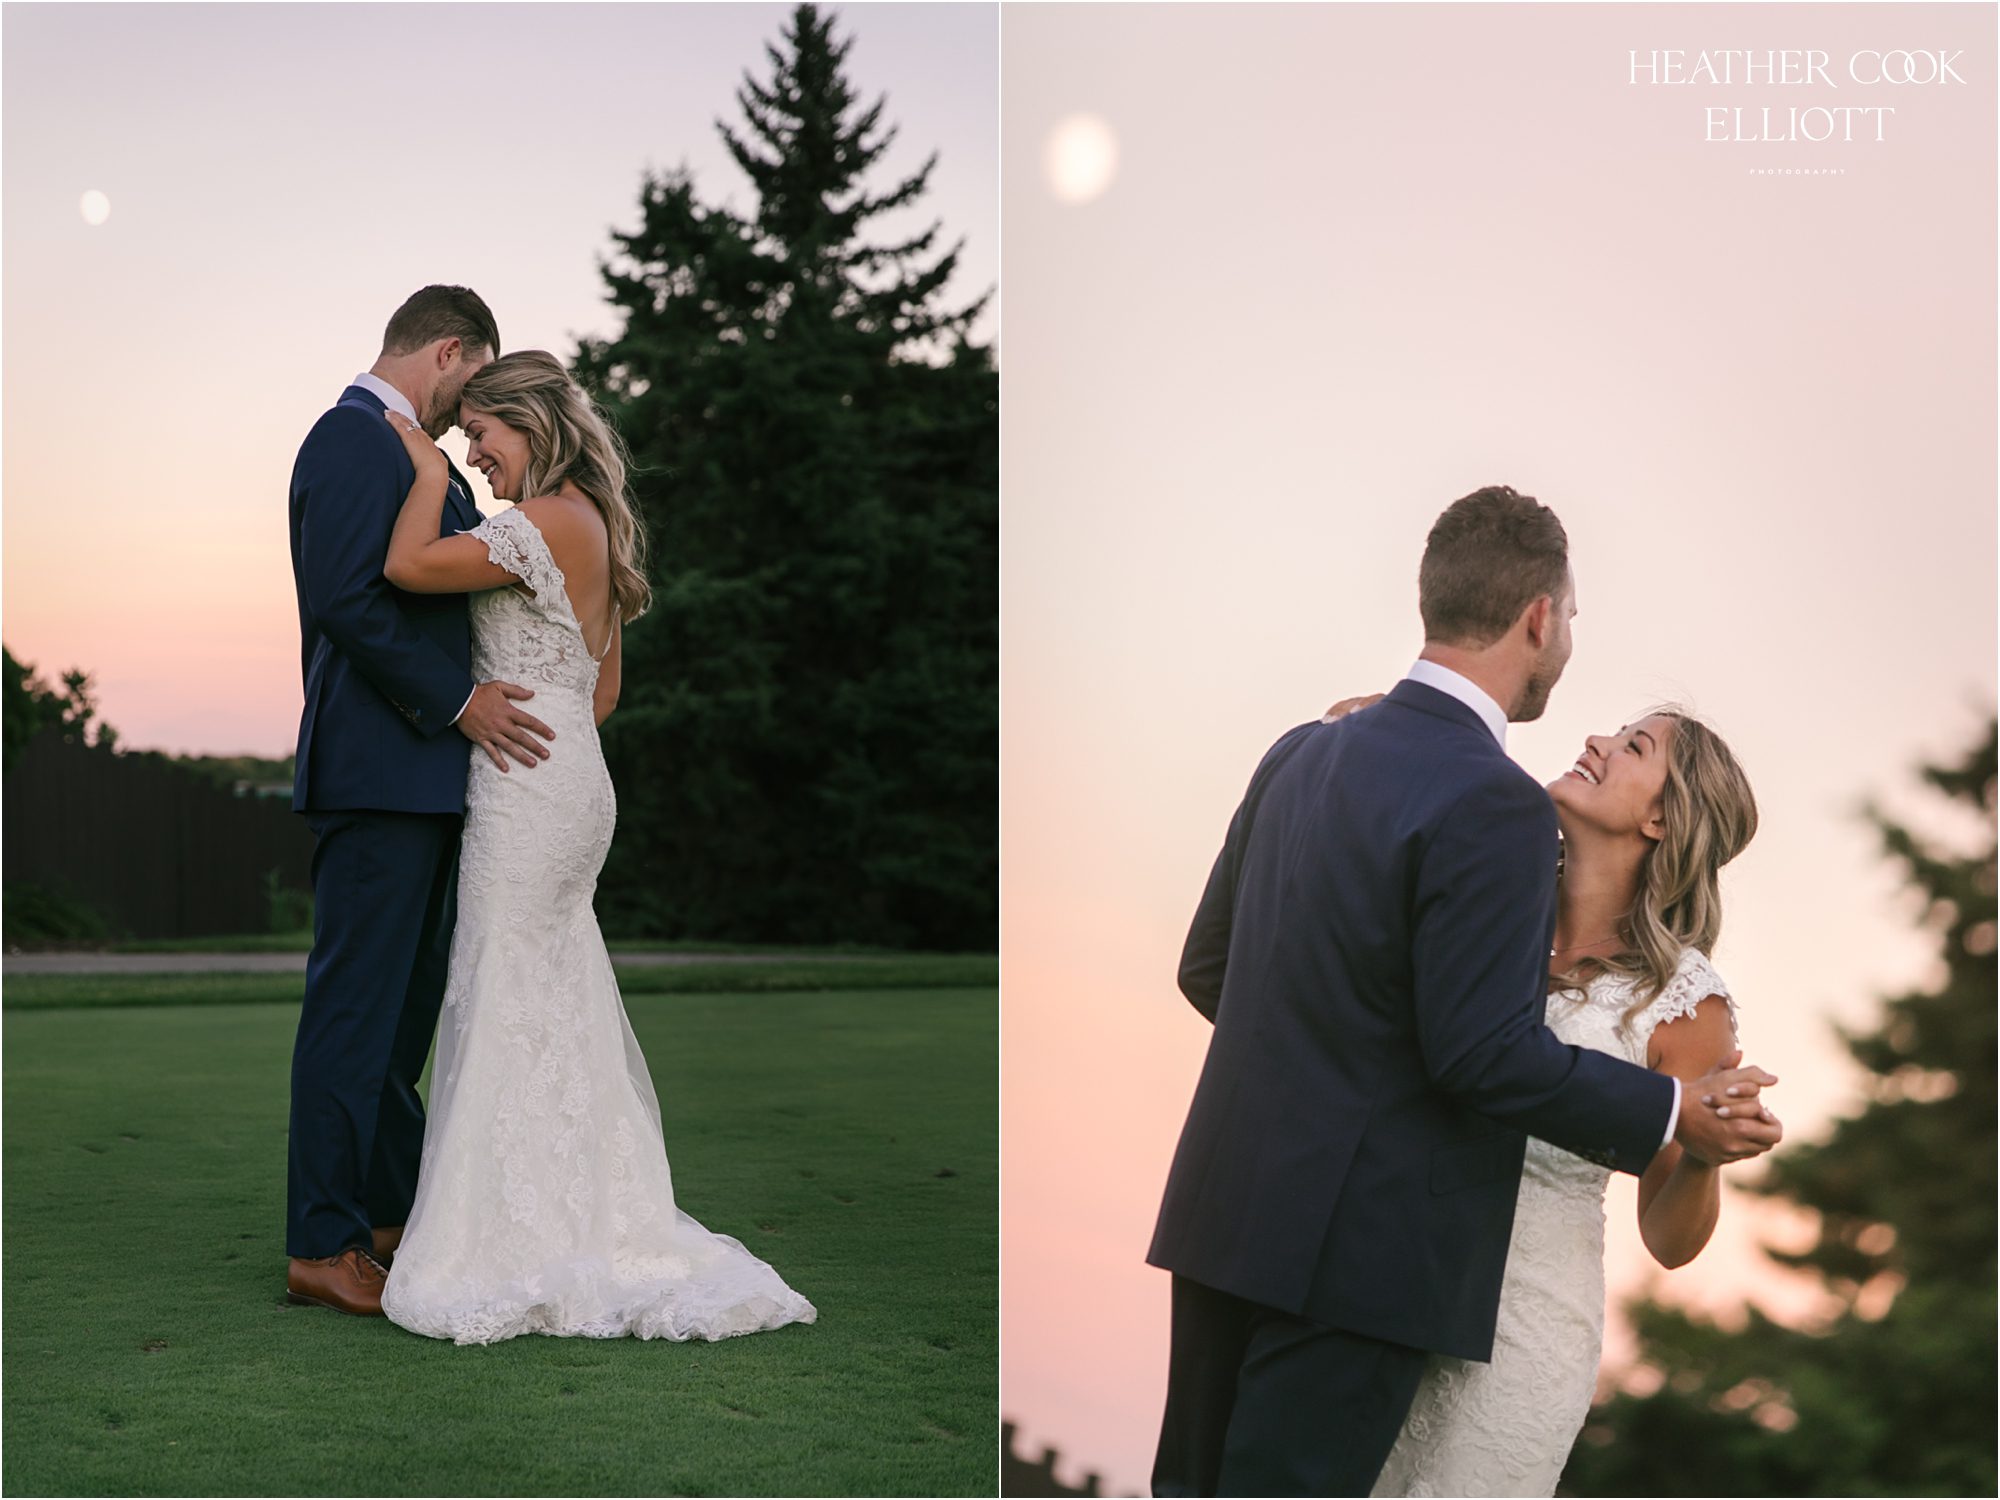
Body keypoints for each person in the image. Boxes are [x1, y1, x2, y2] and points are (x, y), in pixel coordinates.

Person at [1145, 486, 1782, 1496]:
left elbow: (1210, 970)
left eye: (1632, 745)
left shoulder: (1306, 752)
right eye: (1571, 618)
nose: (1596, 739)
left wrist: (1693, 1140)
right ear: (1538, 617)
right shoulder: (1489, 806)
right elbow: (1473, 1051)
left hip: (1260, 1226)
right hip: (1366, 1262)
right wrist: (1668, 1110)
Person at [373, 349, 815, 1345]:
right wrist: (548, 726)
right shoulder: (593, 526)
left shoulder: (540, 523)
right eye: (463, 444)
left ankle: (509, 1237)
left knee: (503, 984)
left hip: (526, 783)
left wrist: (427, 474)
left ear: (529, 423)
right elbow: (601, 692)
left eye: (480, 436)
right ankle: (564, 1216)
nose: (473, 456)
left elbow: (406, 568)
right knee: (547, 989)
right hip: (568, 772)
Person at [1358, 703, 1761, 1495]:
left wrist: (1704, 1157)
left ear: (1660, 818)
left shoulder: (1684, 1003)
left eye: (1632, 746)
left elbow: (1669, 1241)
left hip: (1523, 1333)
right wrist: (1372, 741)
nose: (1595, 742)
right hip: (1384, 1283)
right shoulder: (1484, 905)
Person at [284, 285, 556, 1317]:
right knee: (355, 1015)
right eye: (474, 380)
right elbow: (346, 600)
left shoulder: (407, 450)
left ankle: (387, 1219)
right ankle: (322, 1243)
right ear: (449, 350)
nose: (472, 408)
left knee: (401, 1022)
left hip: (428, 779)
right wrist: (458, 703)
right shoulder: (352, 438)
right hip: (378, 772)